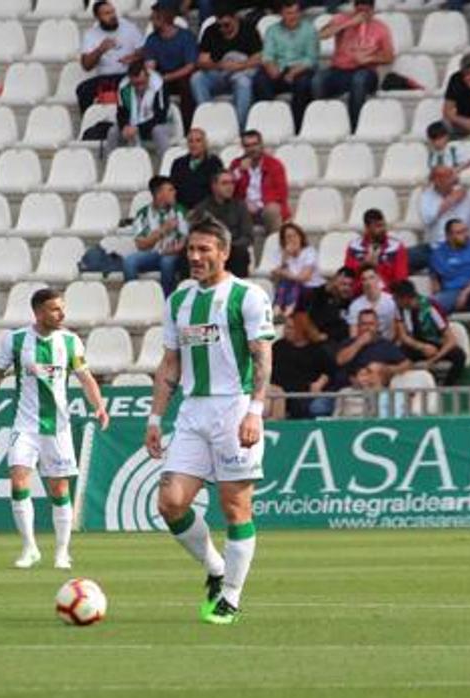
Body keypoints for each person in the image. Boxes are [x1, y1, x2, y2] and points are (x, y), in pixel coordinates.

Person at [145, 217, 275, 625]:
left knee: (235, 506)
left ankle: (230, 598)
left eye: (205, 250)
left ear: (223, 251)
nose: (196, 257)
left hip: (234, 408)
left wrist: (255, 410)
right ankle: (216, 568)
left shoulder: (247, 296)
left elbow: (261, 355)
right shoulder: (178, 302)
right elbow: (170, 362)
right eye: (191, 250)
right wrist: (155, 417)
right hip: (192, 410)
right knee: (170, 503)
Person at [0, 288, 109, 570]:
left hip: (58, 428)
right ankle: (30, 548)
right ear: (38, 312)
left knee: (59, 489)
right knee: (18, 480)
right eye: (54, 309)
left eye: (62, 308)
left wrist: (99, 405)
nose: (62, 314)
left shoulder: (71, 342)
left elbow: (86, 378)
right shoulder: (15, 340)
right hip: (24, 425)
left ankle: (62, 552)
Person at [313, 0, 393, 130]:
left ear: (372, 10)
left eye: (366, 11)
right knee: (318, 80)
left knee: (359, 80)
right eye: (359, 10)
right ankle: (324, 121)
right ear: (354, 8)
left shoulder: (381, 28)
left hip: (366, 70)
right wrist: (348, 24)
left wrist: (369, 59)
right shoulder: (342, 19)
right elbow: (321, 35)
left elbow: (389, 57)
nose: (362, 14)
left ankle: (355, 126)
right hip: (340, 70)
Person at [190, 3, 261, 129]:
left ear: (235, 18)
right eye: (220, 25)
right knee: (197, 79)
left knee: (243, 82)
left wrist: (240, 66)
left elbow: (259, 58)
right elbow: (202, 61)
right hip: (219, 73)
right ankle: (208, 120)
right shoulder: (211, 31)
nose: (222, 28)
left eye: (226, 25)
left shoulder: (248, 29)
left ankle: (239, 127)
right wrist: (220, 65)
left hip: (242, 73)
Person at [254, 0, 316, 131]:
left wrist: (293, 72)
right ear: (281, 14)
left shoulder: (309, 30)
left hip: (300, 69)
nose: (293, 16)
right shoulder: (272, 30)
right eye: (289, 13)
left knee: (303, 84)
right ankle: (273, 122)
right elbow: (267, 55)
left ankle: (296, 126)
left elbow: (311, 59)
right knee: (260, 80)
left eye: (296, 13)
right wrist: (270, 67)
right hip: (279, 68)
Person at [391, 279, 466, 386]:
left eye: (396, 298)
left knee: (459, 356)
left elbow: (451, 340)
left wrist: (434, 359)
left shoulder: (431, 308)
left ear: (405, 298)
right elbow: (403, 336)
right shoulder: (399, 309)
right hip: (415, 344)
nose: (394, 301)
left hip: (435, 342)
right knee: (394, 355)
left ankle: (447, 387)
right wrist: (422, 347)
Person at [126, 176, 189, 296]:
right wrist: (163, 230)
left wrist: (175, 249)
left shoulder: (179, 210)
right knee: (129, 261)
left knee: (167, 262)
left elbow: (184, 240)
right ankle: (133, 298)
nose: (175, 192)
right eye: (170, 190)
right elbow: (141, 245)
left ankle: (167, 301)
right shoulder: (143, 214)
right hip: (152, 254)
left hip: (174, 254)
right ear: (159, 193)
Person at [75, 0, 143, 113]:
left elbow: (143, 52)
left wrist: (134, 57)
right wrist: (100, 50)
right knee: (83, 90)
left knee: (131, 89)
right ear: (97, 17)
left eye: (113, 12)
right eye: (107, 13)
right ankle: (89, 124)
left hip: (127, 75)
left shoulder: (129, 28)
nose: (112, 16)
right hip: (105, 77)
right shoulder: (91, 34)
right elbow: (86, 66)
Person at [228, 130, 290, 249]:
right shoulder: (237, 164)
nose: (252, 149)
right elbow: (227, 190)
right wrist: (238, 172)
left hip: (266, 209)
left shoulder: (274, 165)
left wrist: (259, 205)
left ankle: (276, 249)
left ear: (261, 145)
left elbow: (281, 194)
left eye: (255, 144)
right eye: (248, 146)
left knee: (272, 210)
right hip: (244, 210)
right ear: (243, 148)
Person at [141, 1, 196, 127]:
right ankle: (156, 124)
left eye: (154, 18)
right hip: (163, 75)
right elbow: (150, 65)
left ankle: (187, 126)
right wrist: (154, 77)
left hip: (182, 75)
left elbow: (190, 66)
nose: (151, 20)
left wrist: (168, 77)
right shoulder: (152, 39)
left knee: (186, 87)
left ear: (163, 18)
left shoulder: (186, 37)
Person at [268, 312, 333, 420]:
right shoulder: (279, 347)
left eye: (290, 328)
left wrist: (320, 383)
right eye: (286, 327)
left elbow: (329, 370)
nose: (286, 331)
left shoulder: (317, 350)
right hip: (280, 393)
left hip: (304, 394)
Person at [105, 60, 172, 160]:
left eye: (142, 83)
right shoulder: (124, 87)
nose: (139, 87)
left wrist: (137, 128)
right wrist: (124, 126)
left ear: (148, 76)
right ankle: (110, 164)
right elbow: (121, 112)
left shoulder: (159, 85)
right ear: (130, 80)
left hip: (159, 124)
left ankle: (168, 166)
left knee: (158, 131)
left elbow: (161, 117)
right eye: (135, 84)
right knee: (113, 131)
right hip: (134, 125)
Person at [192, 170, 254, 277]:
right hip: (208, 250)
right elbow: (196, 235)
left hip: (233, 248)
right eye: (225, 183)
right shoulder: (202, 208)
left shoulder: (240, 206)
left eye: (232, 183)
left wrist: (227, 247)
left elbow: (248, 236)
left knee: (241, 254)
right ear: (214, 186)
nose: (230, 187)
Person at [414, 165, 470, 272]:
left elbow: (463, 222)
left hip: (459, 245)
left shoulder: (462, 195)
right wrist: (449, 201)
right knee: (403, 257)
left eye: (451, 176)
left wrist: (450, 200)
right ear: (436, 180)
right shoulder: (426, 196)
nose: (452, 180)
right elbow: (428, 219)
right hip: (434, 246)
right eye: (446, 177)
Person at [332, 307, 410, 389]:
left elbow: (407, 364)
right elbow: (339, 360)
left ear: (377, 326)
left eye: (371, 324)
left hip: (378, 389)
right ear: (358, 326)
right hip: (352, 389)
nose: (367, 327)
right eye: (364, 324)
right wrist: (359, 342)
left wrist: (389, 369)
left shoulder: (385, 344)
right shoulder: (348, 343)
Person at [343, 208, 407, 292]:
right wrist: (364, 266)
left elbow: (401, 281)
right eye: (378, 226)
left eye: (384, 225)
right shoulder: (354, 246)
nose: (383, 229)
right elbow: (348, 278)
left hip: (387, 296)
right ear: (367, 228)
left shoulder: (396, 247)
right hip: (359, 295)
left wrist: (375, 269)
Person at [268, 222, 323, 318]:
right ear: (284, 240)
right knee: (284, 282)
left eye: (295, 235)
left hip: (310, 287)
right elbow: (274, 277)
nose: (292, 239)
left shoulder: (309, 252)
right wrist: (284, 259)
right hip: (288, 287)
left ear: (300, 236)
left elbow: (304, 277)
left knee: (295, 283)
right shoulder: (281, 253)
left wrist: (284, 273)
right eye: (288, 237)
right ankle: (277, 310)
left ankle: (287, 311)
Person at [169, 128, 224, 210]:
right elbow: (173, 188)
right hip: (182, 210)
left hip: (206, 210)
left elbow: (216, 191)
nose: (194, 144)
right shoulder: (178, 163)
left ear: (205, 144)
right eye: (190, 141)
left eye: (198, 141)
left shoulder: (214, 163)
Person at [304, 267, 355, 348]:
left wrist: (327, 336)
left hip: (334, 344)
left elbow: (346, 329)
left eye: (350, 285)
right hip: (313, 339)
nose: (347, 288)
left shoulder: (351, 304)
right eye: (344, 284)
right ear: (336, 282)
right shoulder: (320, 296)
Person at [346, 264, 397, 340]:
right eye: (364, 279)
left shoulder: (392, 301)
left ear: (378, 278)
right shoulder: (355, 306)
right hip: (364, 345)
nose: (368, 282)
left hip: (388, 344)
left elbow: (397, 331)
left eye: (371, 277)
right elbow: (353, 336)